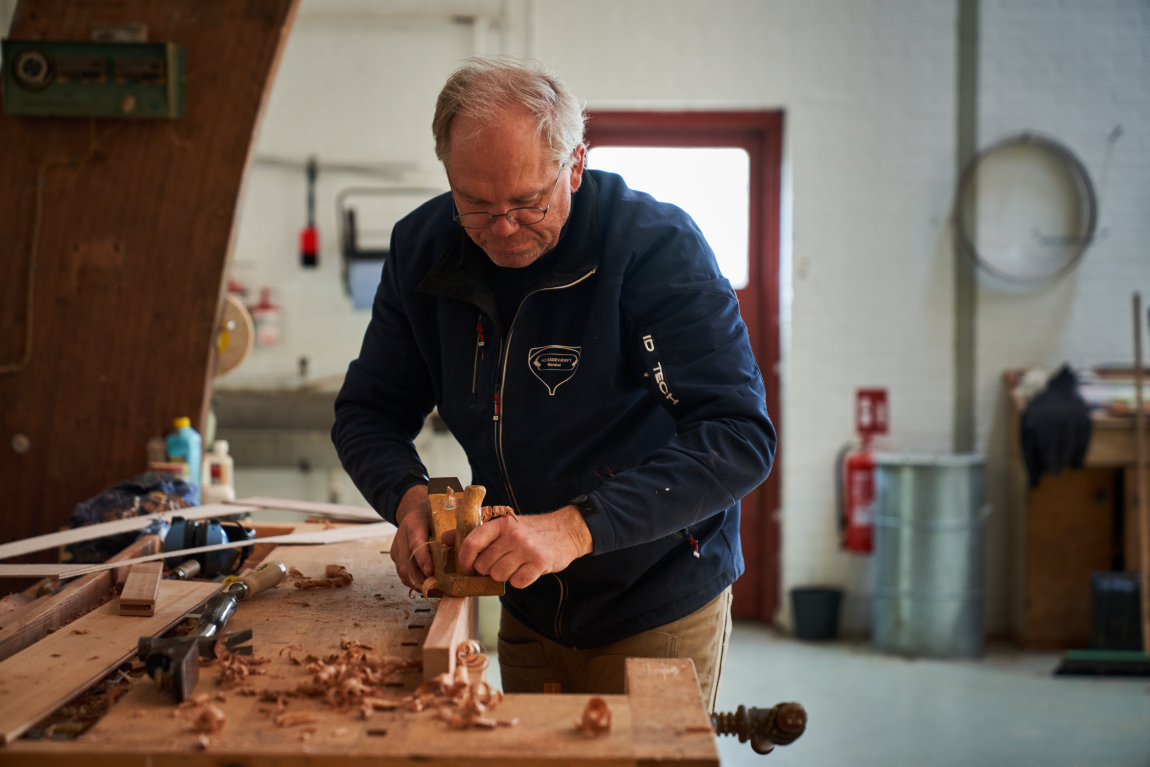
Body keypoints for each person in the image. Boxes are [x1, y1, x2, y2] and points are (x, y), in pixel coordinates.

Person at [332, 56, 775, 709]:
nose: (503, 228)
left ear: (575, 163)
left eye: (528, 202)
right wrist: (408, 498)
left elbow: (738, 436)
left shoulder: (654, 247)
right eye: (475, 204)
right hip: (525, 602)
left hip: (653, 597)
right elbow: (368, 410)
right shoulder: (423, 247)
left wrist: (575, 528)